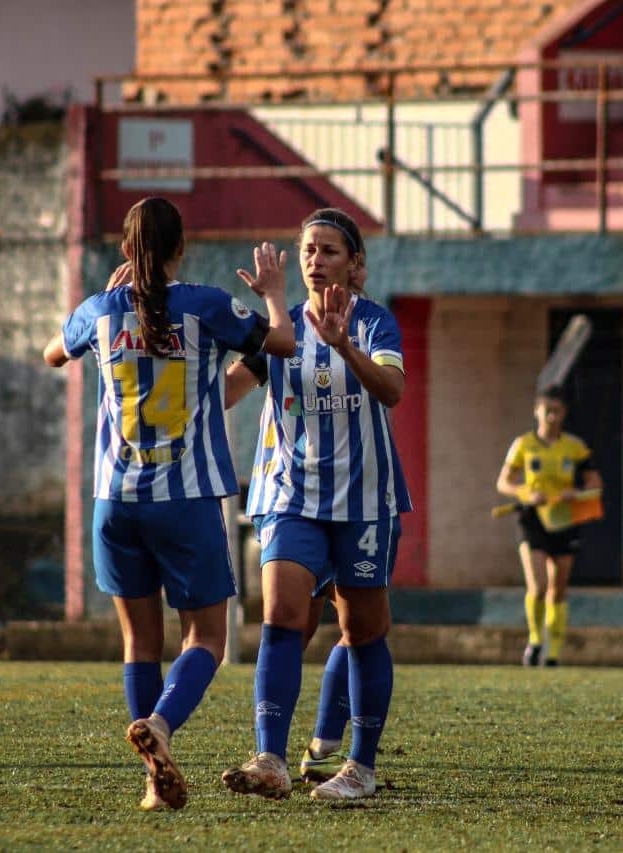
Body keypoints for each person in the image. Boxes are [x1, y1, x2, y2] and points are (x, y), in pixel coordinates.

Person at [42, 197, 294, 810]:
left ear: (126, 252)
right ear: (183, 247)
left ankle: (155, 779)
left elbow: (53, 353)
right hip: (185, 500)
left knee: (138, 643)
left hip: (116, 502)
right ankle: (160, 726)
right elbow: (281, 342)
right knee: (207, 638)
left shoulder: (100, 311)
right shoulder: (205, 306)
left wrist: (104, 301)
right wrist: (274, 294)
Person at [219, 208, 410, 801]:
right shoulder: (279, 329)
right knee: (281, 614)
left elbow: (392, 391)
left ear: (354, 264)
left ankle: (361, 768)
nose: (315, 260)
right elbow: (227, 391)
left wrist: (344, 345)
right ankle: (270, 758)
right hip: (290, 496)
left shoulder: (375, 323)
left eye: (329, 250)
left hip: (364, 502)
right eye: (308, 249)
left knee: (361, 629)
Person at [495, 392, 603, 667]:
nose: (552, 416)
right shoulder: (523, 445)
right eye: (547, 411)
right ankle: (535, 641)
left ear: (564, 413)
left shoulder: (574, 446)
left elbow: (594, 483)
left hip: (564, 519)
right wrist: (525, 493)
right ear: (537, 412)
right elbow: (504, 483)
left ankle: (553, 652)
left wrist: (575, 493)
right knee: (539, 585)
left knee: (559, 587)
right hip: (533, 519)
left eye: (557, 411)